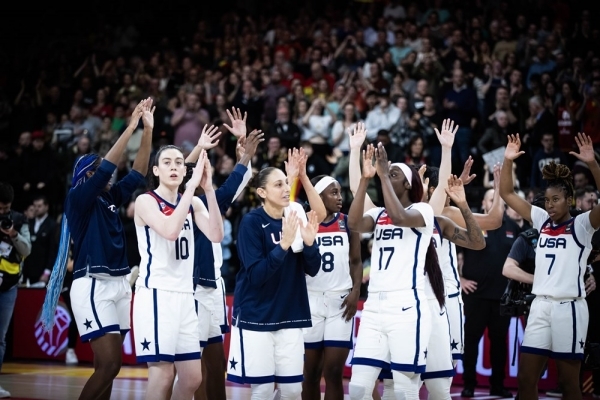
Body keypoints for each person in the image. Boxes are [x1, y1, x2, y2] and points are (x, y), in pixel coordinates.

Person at [41, 98, 154, 400]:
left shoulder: (111, 196)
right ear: (86, 175)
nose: (108, 174)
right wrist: (129, 127)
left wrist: (147, 130)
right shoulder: (78, 199)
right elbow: (107, 168)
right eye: (98, 170)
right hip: (92, 283)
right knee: (110, 365)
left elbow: (140, 172)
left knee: (107, 366)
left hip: (119, 283)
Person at [499, 132, 600, 399]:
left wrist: (592, 164)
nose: (550, 204)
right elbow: (507, 192)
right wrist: (508, 160)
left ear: (569, 200)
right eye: (547, 200)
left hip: (569, 307)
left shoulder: (582, 224)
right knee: (525, 380)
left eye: (556, 199)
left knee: (569, 385)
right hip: (540, 305)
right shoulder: (542, 220)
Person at [346, 125, 439, 400]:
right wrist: (365, 180)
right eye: (389, 172)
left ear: (408, 184)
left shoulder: (422, 211)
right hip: (374, 305)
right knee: (359, 387)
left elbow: (399, 218)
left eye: (395, 174)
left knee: (405, 388)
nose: (388, 174)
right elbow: (353, 223)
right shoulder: (378, 214)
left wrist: (384, 175)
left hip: (406, 307)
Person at [133, 145, 224, 399]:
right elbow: (170, 230)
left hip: (185, 296)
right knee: (162, 376)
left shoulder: (193, 201)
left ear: (186, 169)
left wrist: (208, 188)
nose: (174, 167)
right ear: (155, 169)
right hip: (157, 296)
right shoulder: (145, 201)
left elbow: (216, 234)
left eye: (179, 162)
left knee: (193, 377)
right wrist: (192, 190)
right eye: (167, 162)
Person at [226, 163, 322, 400]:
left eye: (287, 183)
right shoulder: (251, 223)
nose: (285, 189)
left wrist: (310, 244)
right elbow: (256, 275)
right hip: (256, 315)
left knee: (291, 390)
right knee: (263, 390)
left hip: (290, 313)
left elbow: (313, 269)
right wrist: (283, 246)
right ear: (262, 192)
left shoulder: (296, 216)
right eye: (278, 184)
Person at [185, 115, 262, 400]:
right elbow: (229, 187)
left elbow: (236, 186)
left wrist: (243, 150)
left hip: (213, 286)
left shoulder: (208, 200)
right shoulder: (187, 201)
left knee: (216, 364)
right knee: (193, 368)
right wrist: (244, 157)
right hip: (191, 287)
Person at [302, 174, 363, 400]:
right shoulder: (305, 222)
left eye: (340, 192)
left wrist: (356, 291)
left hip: (341, 302)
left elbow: (356, 262)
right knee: (310, 373)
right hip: (310, 301)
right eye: (333, 192)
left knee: (335, 372)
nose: (340, 197)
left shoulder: (347, 221)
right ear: (317, 195)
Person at [0, 182, 31, 399]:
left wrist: (13, 234)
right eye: (0, 208)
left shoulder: (18, 220)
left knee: (0, 338)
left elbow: (27, 249)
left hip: (8, 286)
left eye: (6, 208)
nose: (3, 212)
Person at [22, 195, 57, 285]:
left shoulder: (52, 225)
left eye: (39, 206)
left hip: (42, 271)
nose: (36, 209)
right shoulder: (28, 222)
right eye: (35, 206)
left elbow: (53, 251)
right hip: (27, 270)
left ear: (46, 207)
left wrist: (47, 272)